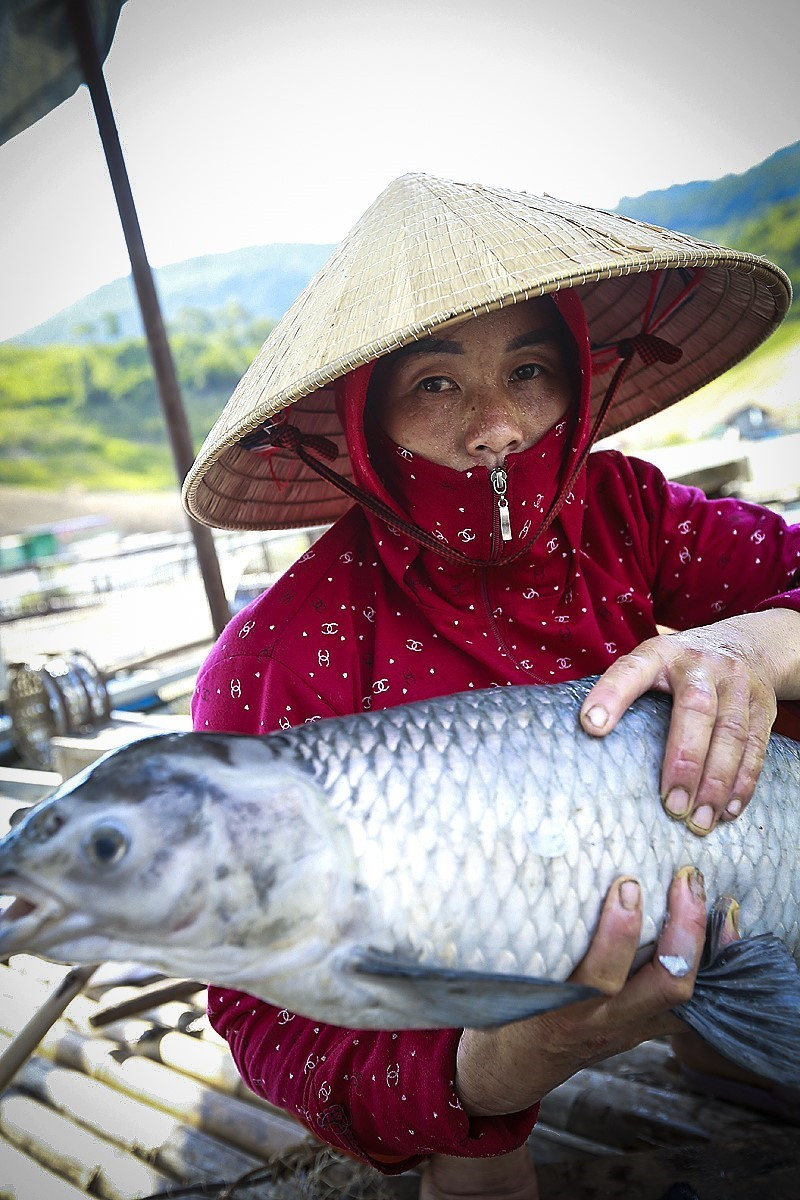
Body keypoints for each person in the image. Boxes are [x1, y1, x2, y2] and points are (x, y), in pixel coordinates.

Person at [183, 174, 800, 1195]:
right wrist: (506, 1063)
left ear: (574, 374)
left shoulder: (623, 510)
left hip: (683, 874)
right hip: (452, 983)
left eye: (529, 369)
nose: (499, 426)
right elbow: (263, 1014)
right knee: (477, 1160)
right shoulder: (282, 654)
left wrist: (756, 646)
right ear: (363, 418)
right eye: (435, 384)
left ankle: (717, 1024)